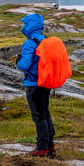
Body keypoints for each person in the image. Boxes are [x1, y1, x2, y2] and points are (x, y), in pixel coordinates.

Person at [17, 13, 55, 157]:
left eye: (25, 24)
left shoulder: (30, 42)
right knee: (45, 113)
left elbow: (25, 65)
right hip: (45, 82)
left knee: (38, 116)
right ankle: (50, 146)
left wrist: (18, 62)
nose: (23, 26)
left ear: (30, 25)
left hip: (34, 84)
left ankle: (42, 148)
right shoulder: (44, 39)